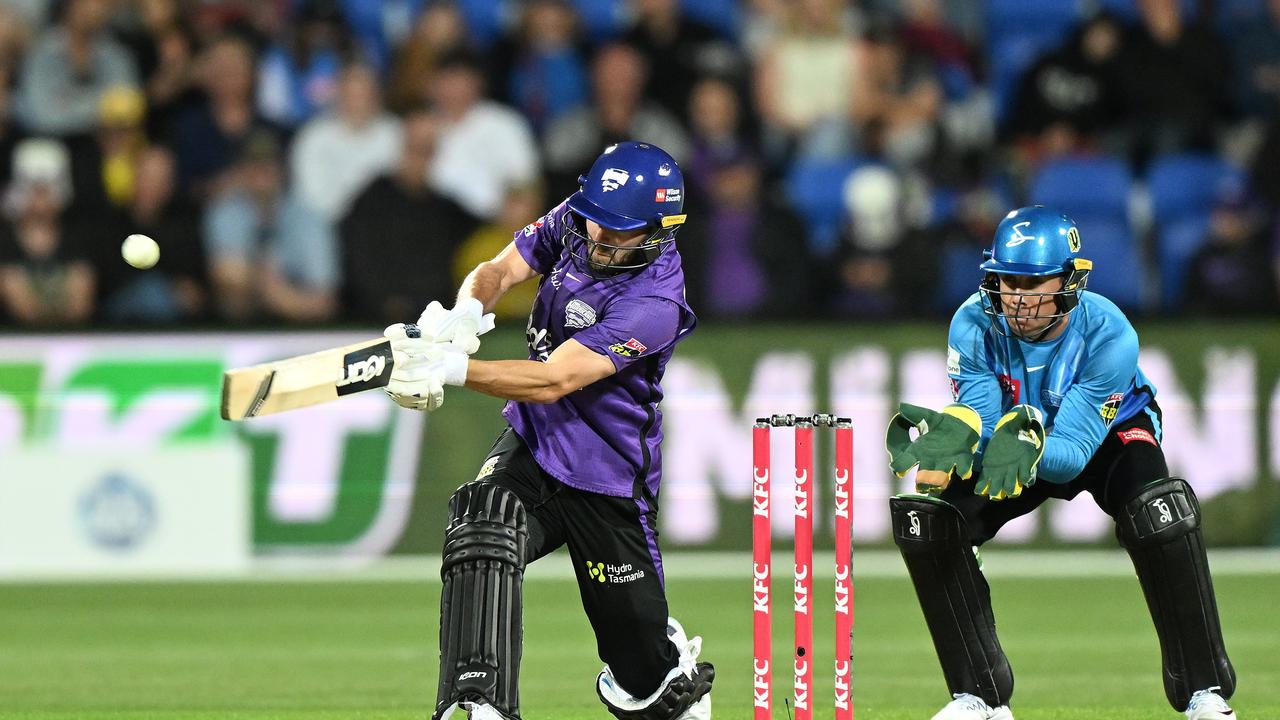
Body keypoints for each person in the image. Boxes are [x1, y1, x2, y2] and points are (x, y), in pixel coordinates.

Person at [380, 141, 713, 720]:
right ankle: (479, 702)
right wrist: (466, 312)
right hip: (535, 442)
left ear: (660, 231)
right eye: (596, 223)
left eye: (620, 233)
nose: (599, 240)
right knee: (482, 523)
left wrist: (453, 369)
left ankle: (664, 665)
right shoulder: (583, 218)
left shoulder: (655, 300)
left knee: (644, 682)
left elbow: (554, 379)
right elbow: (502, 268)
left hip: (606, 476)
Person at [884, 206, 1237, 720]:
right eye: (1008, 281)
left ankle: (1204, 693)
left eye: (1035, 283)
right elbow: (984, 417)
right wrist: (957, 436)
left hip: (1107, 435)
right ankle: (980, 698)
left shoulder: (1109, 333)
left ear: (1070, 279)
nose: (1019, 299)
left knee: (1159, 515)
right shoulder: (971, 323)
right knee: (930, 521)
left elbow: (1070, 456)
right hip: (1013, 438)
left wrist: (1022, 442)